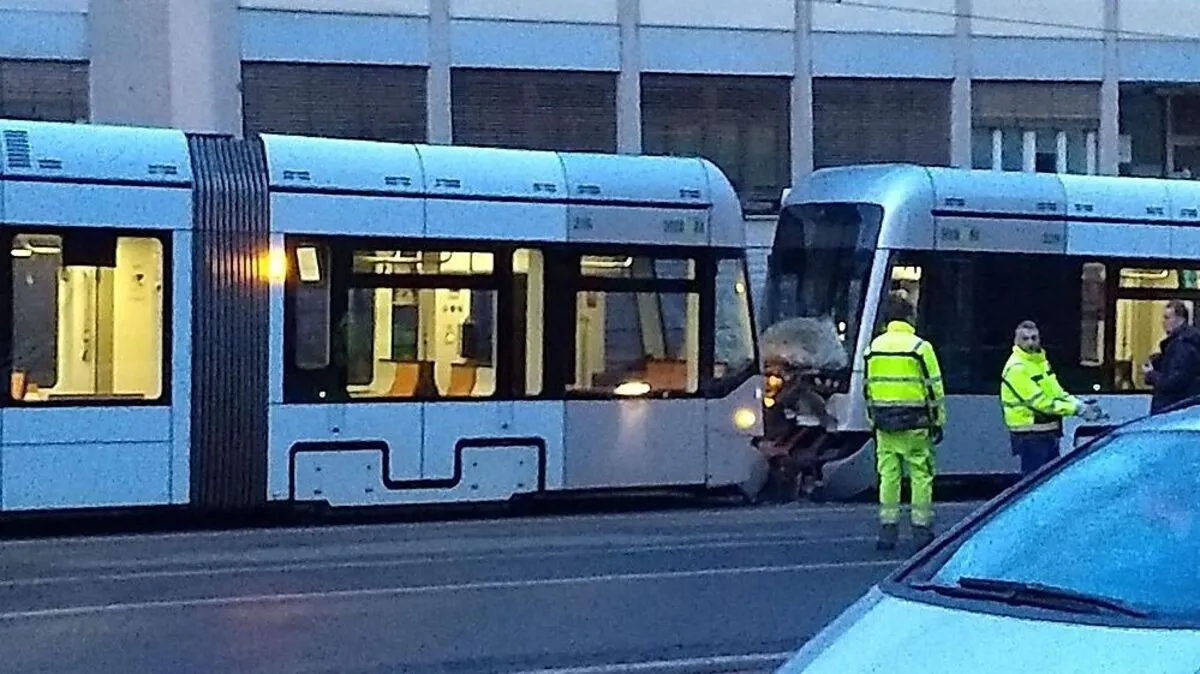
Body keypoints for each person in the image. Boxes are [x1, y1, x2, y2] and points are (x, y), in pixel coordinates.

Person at [863, 292, 945, 551]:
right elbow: (934, 389)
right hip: (916, 422)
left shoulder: (872, 348)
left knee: (889, 475)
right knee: (920, 474)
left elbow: (868, 388)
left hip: (884, 424)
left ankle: (888, 530)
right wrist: (938, 421)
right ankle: (921, 529)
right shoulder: (920, 348)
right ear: (910, 317)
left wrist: (872, 420)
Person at [1000, 320, 1100, 476]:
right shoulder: (1016, 368)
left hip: (1047, 431)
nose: (1031, 342)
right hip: (1030, 434)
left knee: (1047, 479)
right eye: (1025, 339)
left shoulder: (1041, 363)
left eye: (1034, 338)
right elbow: (1040, 403)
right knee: (1035, 482)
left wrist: (1079, 403)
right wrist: (1077, 409)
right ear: (1016, 341)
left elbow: (1057, 392)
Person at [1145, 300, 1200, 414]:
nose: (1163, 322)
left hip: (1173, 409)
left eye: (1167, 317)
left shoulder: (1182, 344)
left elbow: (1174, 381)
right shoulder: (1181, 342)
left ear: (1180, 319)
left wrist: (1151, 375)